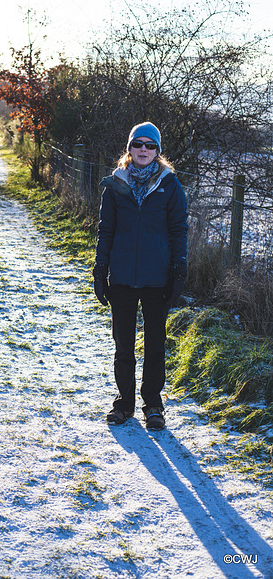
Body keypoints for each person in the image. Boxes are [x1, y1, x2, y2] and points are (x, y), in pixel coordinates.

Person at [93, 122, 188, 430]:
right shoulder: (115, 184)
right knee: (123, 345)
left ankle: (154, 405)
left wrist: (179, 270)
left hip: (157, 278)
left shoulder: (169, 184)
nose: (144, 150)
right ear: (130, 149)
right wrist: (100, 270)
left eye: (150, 145)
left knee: (155, 345)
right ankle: (124, 404)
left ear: (157, 151)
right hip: (121, 278)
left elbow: (178, 230)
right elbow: (105, 230)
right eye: (138, 145)